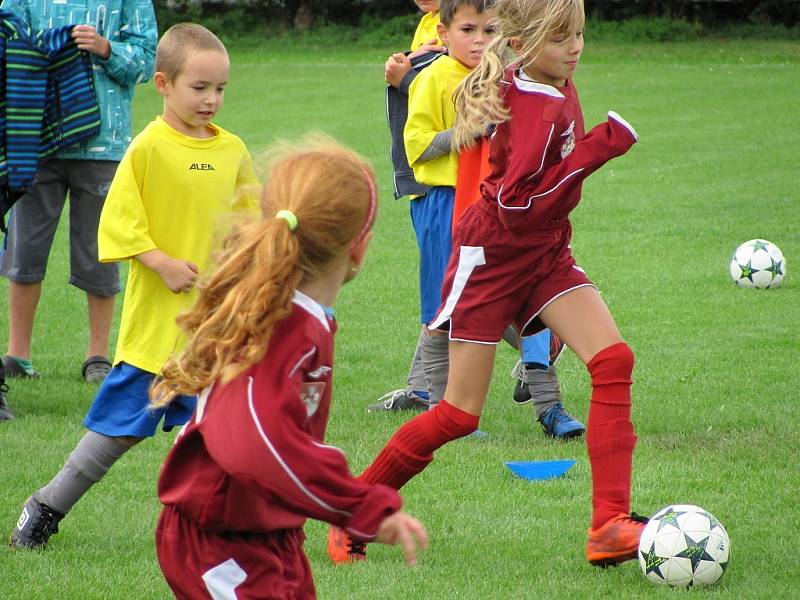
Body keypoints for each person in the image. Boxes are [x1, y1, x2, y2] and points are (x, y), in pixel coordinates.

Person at [331, 0, 648, 567]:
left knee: (613, 359)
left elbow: (536, 209)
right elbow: (515, 206)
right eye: (561, 38)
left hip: (543, 252)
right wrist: (598, 150)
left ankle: (608, 525)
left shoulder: (556, 83)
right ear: (525, 46)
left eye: (579, 33)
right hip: (492, 257)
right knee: (458, 414)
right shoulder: (530, 105)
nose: (575, 47)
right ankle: (356, 512)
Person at [9, 22, 259, 549]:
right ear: (163, 84)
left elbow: (250, 221)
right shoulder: (147, 148)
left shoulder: (233, 149)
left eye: (220, 90)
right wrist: (160, 261)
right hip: (156, 333)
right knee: (116, 434)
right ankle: (46, 506)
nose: (212, 100)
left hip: (215, 331)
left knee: (229, 437)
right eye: (199, 88)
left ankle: (236, 531)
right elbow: (118, 223)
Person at [152, 136, 428, 598]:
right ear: (359, 249)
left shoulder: (296, 317)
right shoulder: (284, 330)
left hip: (265, 533)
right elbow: (256, 441)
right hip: (220, 543)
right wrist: (358, 505)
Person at [376, 0, 585, 442]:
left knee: (531, 303)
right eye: (468, 30)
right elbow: (416, 146)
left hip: (501, 209)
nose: (479, 41)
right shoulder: (432, 78)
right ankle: (441, 410)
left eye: (489, 31)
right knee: (445, 308)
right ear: (442, 33)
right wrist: (469, 130)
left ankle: (549, 406)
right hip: (446, 205)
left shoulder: (512, 79)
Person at [0, 0, 158, 383]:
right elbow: (7, 38)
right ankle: (17, 356)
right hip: (34, 141)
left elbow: (148, 60)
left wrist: (106, 48)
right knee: (25, 249)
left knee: (99, 251)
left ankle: (98, 357)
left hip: (104, 145)